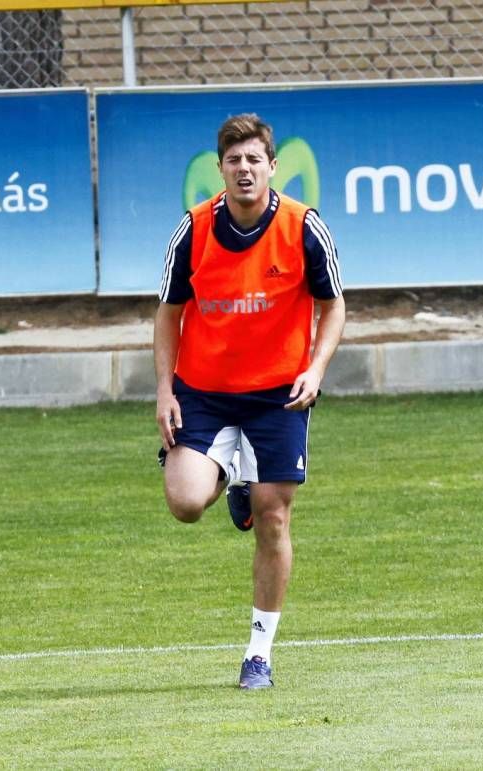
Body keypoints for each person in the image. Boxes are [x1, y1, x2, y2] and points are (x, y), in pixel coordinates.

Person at [154, 113, 345, 689]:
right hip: (204, 392)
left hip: (277, 396)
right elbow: (167, 313)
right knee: (186, 503)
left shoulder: (305, 227)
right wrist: (164, 389)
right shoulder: (192, 230)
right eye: (233, 160)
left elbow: (334, 305)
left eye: (253, 159)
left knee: (272, 516)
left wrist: (315, 368)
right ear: (221, 169)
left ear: (271, 167)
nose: (244, 169)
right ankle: (228, 475)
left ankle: (259, 653)